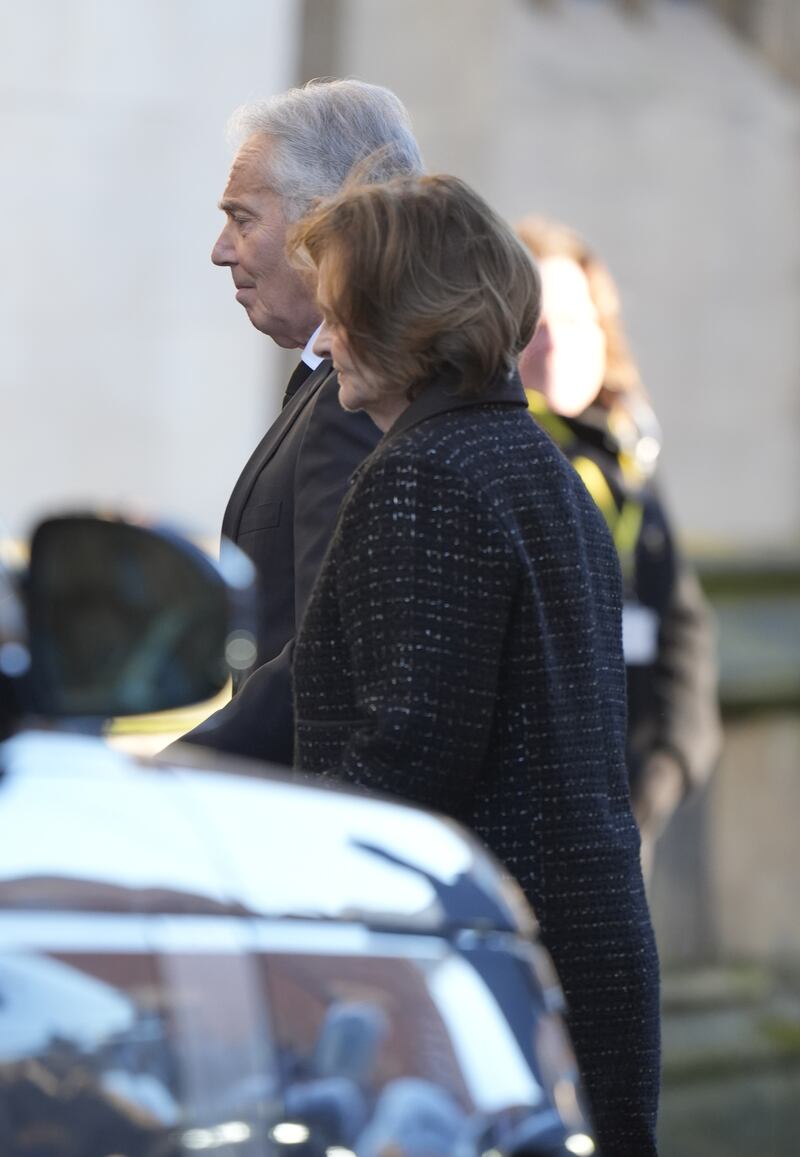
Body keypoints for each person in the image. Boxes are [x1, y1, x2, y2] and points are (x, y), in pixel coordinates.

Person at [287, 173, 660, 1157]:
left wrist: (276, 844)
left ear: (397, 315)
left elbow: (413, 748)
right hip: (566, 948)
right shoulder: (530, 463)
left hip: (480, 975)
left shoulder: (426, 471)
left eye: (336, 310)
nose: (321, 341)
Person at [179, 80, 423, 764]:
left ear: (326, 223)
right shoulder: (327, 384)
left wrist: (174, 770)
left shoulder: (365, 401)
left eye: (243, 219)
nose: (221, 250)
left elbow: (326, 660)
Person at [516, 216, 722, 875]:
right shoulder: (498, 455)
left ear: (604, 333)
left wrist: (666, 773)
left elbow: (684, 623)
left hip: (631, 820)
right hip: (536, 825)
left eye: (573, 322)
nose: (553, 343)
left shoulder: (630, 455)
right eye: (534, 323)